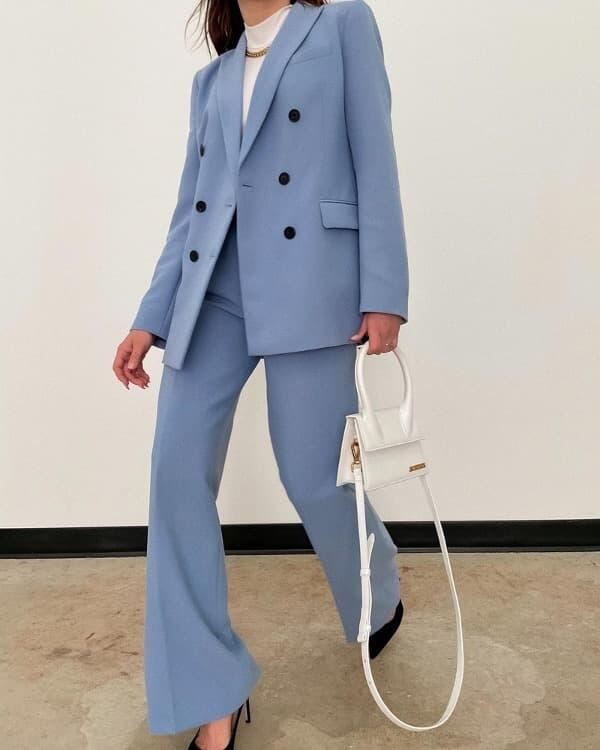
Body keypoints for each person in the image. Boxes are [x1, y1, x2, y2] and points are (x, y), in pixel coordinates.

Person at [112, 1, 409, 748]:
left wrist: (384, 290)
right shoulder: (212, 80)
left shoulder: (340, 23)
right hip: (212, 293)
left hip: (310, 283)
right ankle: (213, 691)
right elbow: (190, 212)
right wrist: (151, 316)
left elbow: (375, 157)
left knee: (313, 477)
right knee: (175, 473)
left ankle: (377, 587)